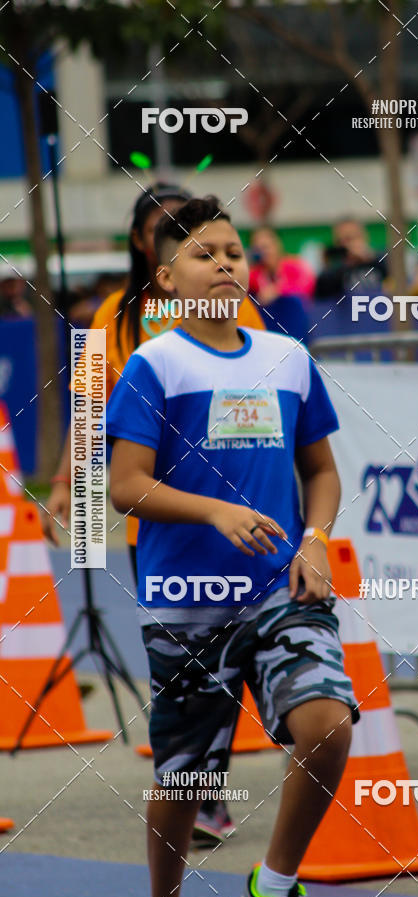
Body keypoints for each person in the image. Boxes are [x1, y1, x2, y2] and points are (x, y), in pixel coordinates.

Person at [105, 196, 358, 897]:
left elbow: (322, 472)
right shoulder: (154, 366)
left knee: (327, 725)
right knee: (186, 779)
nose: (223, 264)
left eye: (233, 252)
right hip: (187, 599)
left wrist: (315, 541)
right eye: (203, 254)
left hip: (282, 588)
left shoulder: (287, 358)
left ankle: (273, 884)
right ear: (165, 278)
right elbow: (125, 486)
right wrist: (216, 511)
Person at [42, 182, 265, 842]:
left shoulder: (235, 306)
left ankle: (208, 792)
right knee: (184, 662)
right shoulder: (114, 315)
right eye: (162, 225)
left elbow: (263, 389)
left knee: (232, 652)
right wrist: (67, 479)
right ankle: (194, 790)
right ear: (145, 242)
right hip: (159, 523)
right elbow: (89, 402)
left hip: (234, 512)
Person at [248, 227, 314, 343]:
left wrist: (277, 290)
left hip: (294, 324)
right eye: (258, 249)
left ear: (277, 245)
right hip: (267, 330)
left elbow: (307, 286)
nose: (264, 253)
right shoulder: (254, 273)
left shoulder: (294, 265)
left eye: (266, 247)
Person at [314, 217, 387, 300]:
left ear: (364, 237)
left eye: (351, 238)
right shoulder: (337, 269)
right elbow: (322, 292)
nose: (348, 245)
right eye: (341, 241)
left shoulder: (379, 258)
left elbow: (393, 275)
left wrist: (369, 258)